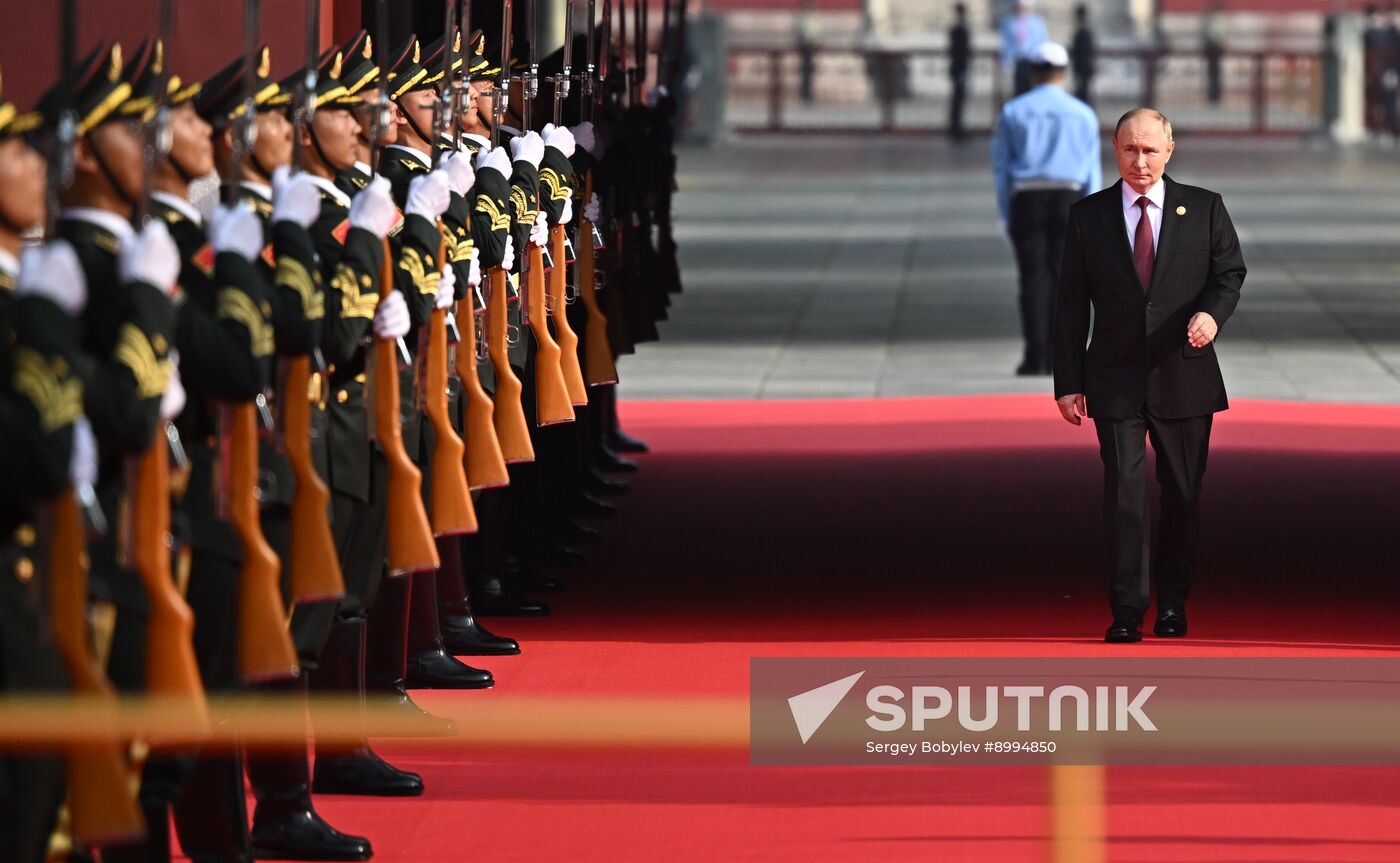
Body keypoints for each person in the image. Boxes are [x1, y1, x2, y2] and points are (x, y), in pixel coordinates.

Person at [1053, 108, 1246, 644]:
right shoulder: (1088, 217)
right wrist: (1068, 380)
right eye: (1130, 150)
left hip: (1183, 374)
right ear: (1114, 149)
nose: (1141, 161)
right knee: (1125, 494)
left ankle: (1173, 604)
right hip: (1113, 378)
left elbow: (1229, 273)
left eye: (1151, 150)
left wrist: (1212, 314)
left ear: (1170, 149)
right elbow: (1071, 304)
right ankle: (1127, 609)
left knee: (1182, 494)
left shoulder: (1204, 208)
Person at [991, 42, 1100, 377]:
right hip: (1070, 197)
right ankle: (1061, 357)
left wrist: (1006, 212)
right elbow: (1092, 168)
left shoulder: (1013, 112)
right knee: (1067, 282)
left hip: (1028, 197)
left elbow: (1001, 168)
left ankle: (1035, 356)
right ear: (1064, 73)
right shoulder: (1082, 113)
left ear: (1033, 72)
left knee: (1032, 278)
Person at [999, 0, 1048, 97]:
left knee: (1034, 90)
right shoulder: (1009, 23)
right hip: (1018, 61)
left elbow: (1042, 42)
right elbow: (1006, 44)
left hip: (1033, 61)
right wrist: (1006, 62)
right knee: (1019, 90)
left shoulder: (1037, 23)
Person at [948, 3, 971, 143]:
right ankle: (955, 128)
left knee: (959, 99)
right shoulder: (958, 29)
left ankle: (956, 127)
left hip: (959, 67)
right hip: (959, 68)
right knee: (958, 99)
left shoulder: (958, 28)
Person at [1071, 3, 1097, 105]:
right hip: (1084, 66)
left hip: (1083, 66)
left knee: (1083, 93)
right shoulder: (1085, 30)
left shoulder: (1083, 31)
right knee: (1083, 91)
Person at [1203, 2, 1227, 106]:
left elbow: (1207, 33)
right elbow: (1222, 34)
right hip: (1217, 47)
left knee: (1212, 73)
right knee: (1215, 73)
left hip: (1212, 47)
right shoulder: (1221, 19)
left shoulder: (1210, 19)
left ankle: (1213, 96)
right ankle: (1215, 96)